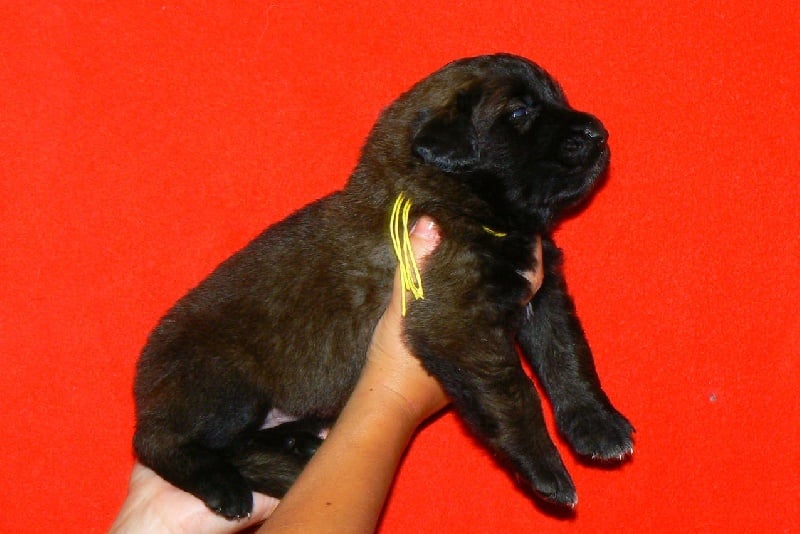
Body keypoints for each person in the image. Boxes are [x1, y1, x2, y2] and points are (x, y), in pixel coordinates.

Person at [111, 217, 544, 533]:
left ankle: (240, 449)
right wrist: (393, 398)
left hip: (271, 399)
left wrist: (160, 526)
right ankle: (173, 448)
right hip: (201, 366)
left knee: (281, 446)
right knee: (224, 398)